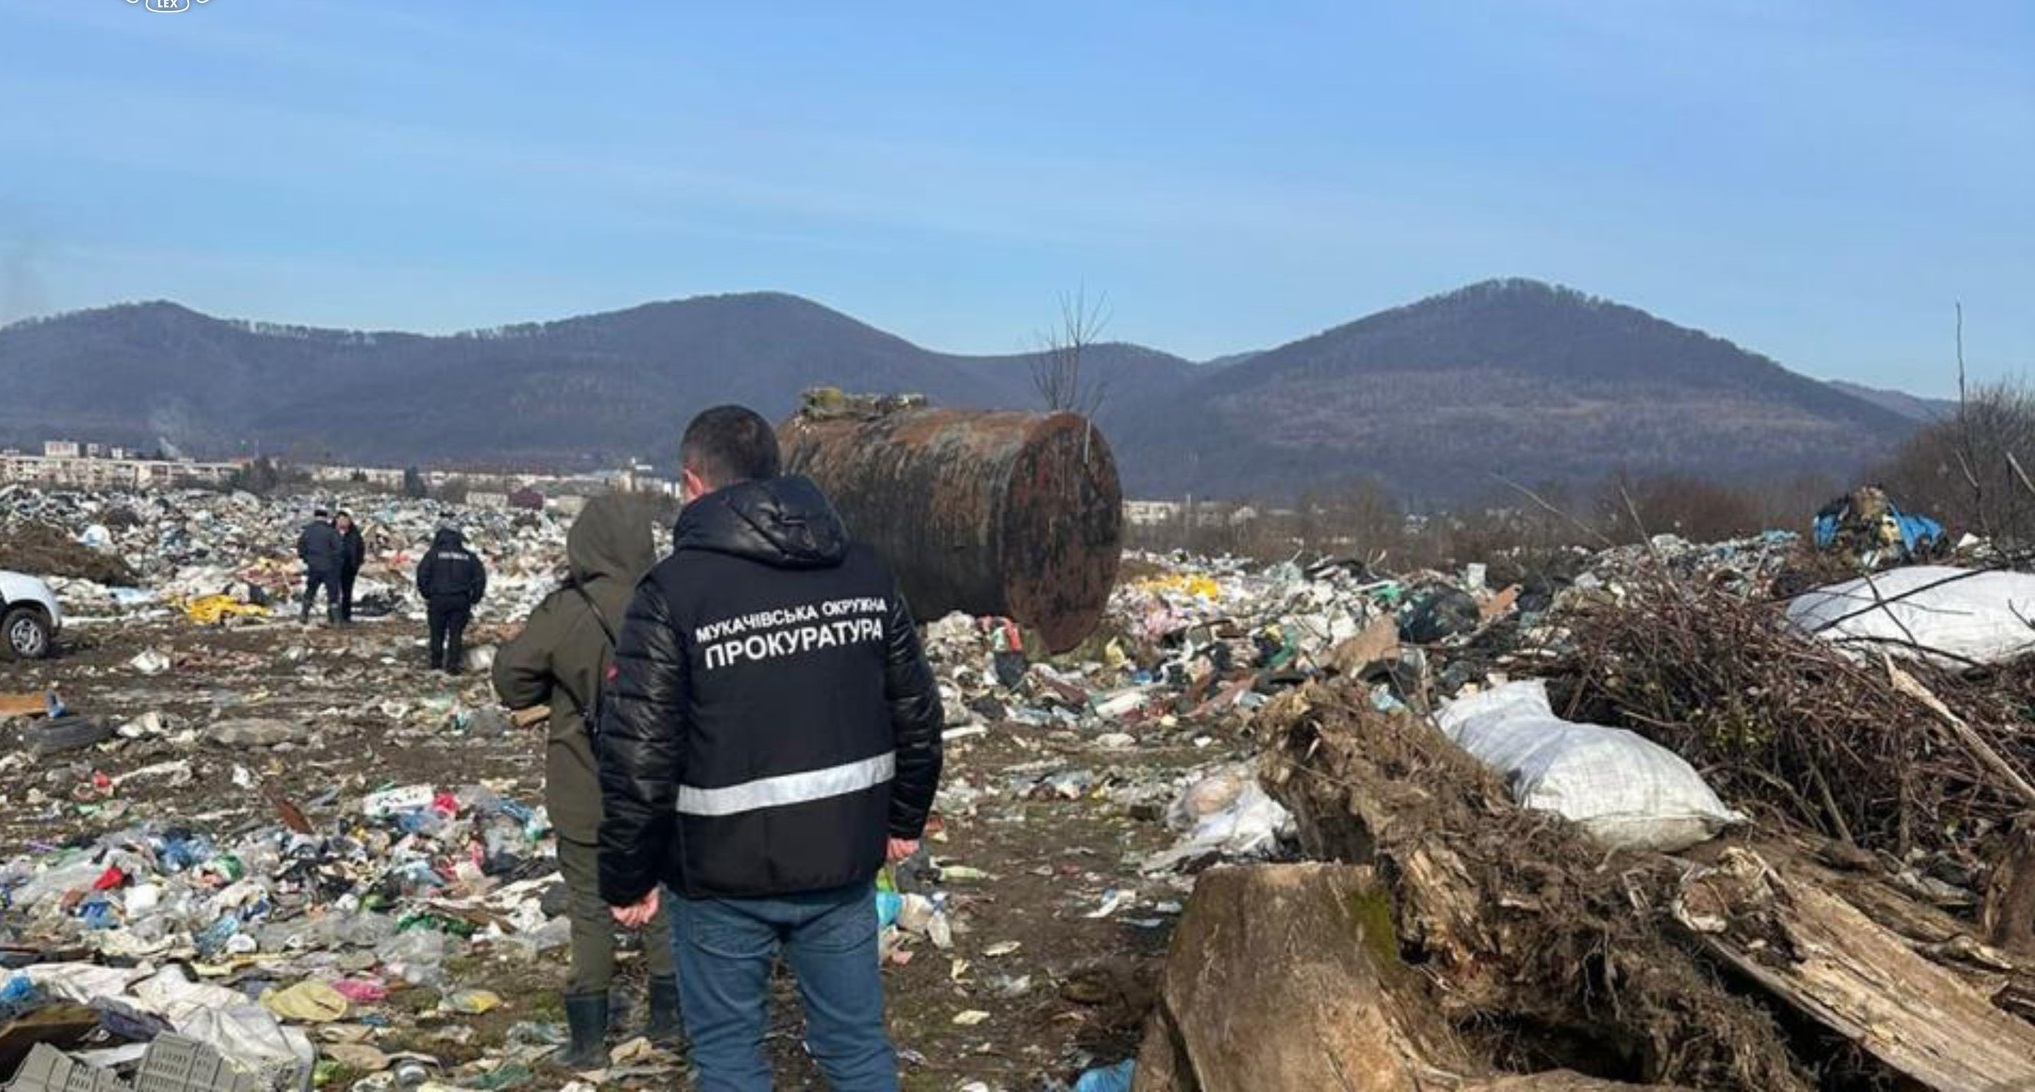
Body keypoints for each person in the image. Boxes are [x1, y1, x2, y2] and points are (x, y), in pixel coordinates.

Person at [598, 405, 943, 1092]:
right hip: (840, 861)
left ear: (693, 483)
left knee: (729, 1058)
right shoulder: (864, 573)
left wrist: (627, 874)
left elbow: (640, 753)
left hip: (718, 875)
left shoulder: (673, 593)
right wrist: (903, 820)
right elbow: (917, 713)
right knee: (855, 1049)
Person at [492, 495, 680, 1068]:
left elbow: (509, 676)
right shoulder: (670, 600)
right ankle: (672, 1022)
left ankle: (588, 1040)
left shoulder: (566, 610)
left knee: (591, 907)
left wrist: (557, 693)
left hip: (585, 786)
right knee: (667, 901)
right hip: (663, 788)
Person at [414, 524, 487, 673]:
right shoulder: (469, 556)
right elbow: (480, 578)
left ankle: (436, 662)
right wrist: (475, 597)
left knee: (436, 632)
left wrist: (427, 593)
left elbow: (422, 575)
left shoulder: (433, 555)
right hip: (460, 600)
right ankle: (453, 665)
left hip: (438, 598)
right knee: (456, 633)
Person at [295, 507, 343, 624]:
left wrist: (307, 559)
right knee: (333, 592)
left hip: (313, 566)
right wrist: (335, 561)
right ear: (326, 517)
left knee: (310, 590)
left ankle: (304, 615)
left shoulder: (308, 531)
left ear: (315, 516)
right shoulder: (331, 531)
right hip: (329, 567)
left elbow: (301, 547)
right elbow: (339, 549)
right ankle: (335, 619)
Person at [334, 511, 366, 623]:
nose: (343, 522)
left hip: (349, 568)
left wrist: (357, 564)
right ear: (336, 520)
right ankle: (333, 616)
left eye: (346, 519)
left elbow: (360, 550)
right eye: (341, 519)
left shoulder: (354, 535)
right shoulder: (330, 533)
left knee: (347, 593)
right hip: (333, 568)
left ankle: (346, 616)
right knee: (333, 592)